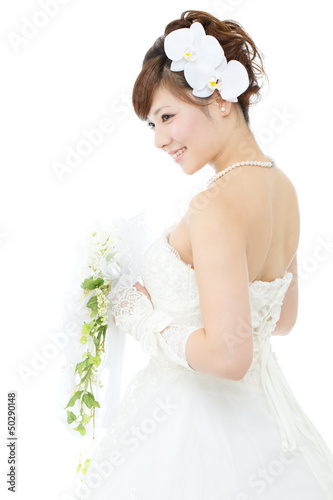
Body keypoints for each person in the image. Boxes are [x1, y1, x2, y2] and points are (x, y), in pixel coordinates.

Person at [77, 10, 333, 499]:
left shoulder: (214, 207)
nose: (159, 140)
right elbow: (282, 320)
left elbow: (230, 356)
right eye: (151, 125)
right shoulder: (284, 188)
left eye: (168, 117)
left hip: (189, 430)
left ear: (220, 98)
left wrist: (141, 316)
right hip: (264, 426)